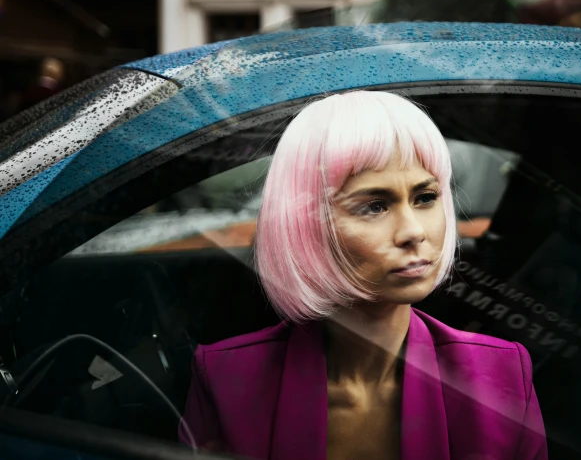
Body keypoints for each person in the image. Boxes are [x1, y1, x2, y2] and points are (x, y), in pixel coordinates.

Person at [178, 91, 548, 460]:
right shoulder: (227, 381)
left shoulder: (501, 375)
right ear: (307, 224)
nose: (413, 231)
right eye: (375, 206)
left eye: (425, 197)